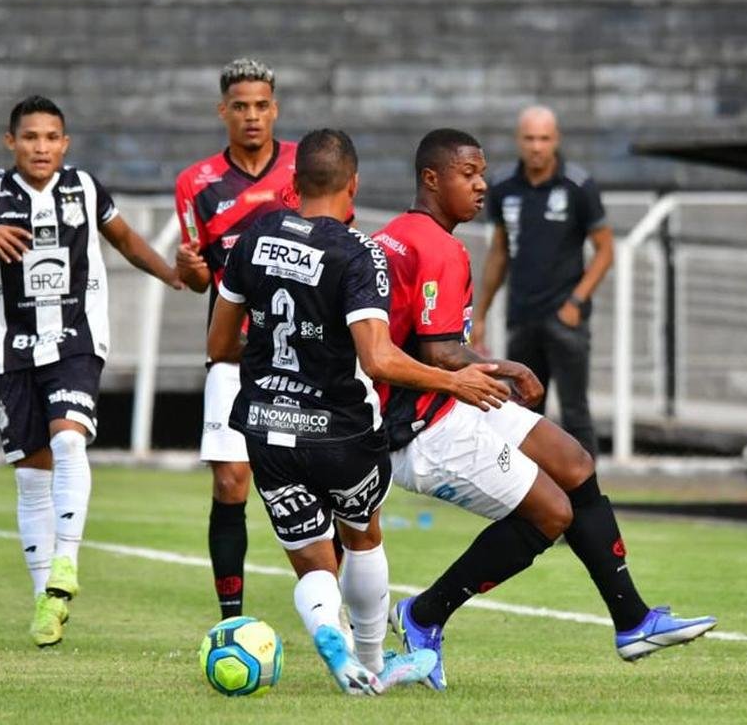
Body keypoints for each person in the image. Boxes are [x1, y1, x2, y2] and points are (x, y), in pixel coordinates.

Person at [376, 129, 715, 691]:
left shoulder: (398, 236)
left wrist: (486, 367)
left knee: (575, 462)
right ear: (431, 179)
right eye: (468, 173)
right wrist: (504, 365)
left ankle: (633, 621)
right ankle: (424, 614)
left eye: (483, 171)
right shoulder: (434, 246)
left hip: (448, 398)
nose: (482, 184)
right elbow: (437, 350)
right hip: (422, 427)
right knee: (550, 514)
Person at [207, 129, 509, 694]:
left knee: (314, 559)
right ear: (354, 185)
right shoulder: (358, 252)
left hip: (268, 427)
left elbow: (220, 345)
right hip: (341, 431)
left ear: (293, 186)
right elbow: (377, 357)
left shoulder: (254, 236)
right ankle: (371, 662)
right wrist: (453, 379)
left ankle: (327, 629)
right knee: (363, 535)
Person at [0, 95, 181, 648]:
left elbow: (128, 241)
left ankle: (66, 564)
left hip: (75, 339)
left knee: (69, 442)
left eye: (51, 137)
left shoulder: (84, 188)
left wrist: (175, 277)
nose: (40, 146)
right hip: (12, 349)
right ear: (11, 141)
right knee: (30, 476)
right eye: (30, 137)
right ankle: (48, 602)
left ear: (64, 143)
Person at [175, 58, 335, 620]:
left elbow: (334, 238)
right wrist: (190, 269)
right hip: (233, 349)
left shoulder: (304, 167)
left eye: (261, 105)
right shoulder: (196, 184)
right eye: (240, 106)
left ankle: (333, 605)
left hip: (302, 348)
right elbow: (197, 278)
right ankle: (232, 622)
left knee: (319, 478)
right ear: (224, 110)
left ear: (276, 109)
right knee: (230, 480)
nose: (251, 116)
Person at [473, 106, 612, 457]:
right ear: (519, 141)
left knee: (575, 411)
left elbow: (606, 250)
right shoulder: (503, 187)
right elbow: (498, 254)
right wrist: (480, 315)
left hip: (565, 318)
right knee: (523, 413)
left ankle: (588, 501)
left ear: (556, 140)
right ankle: (533, 498)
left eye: (544, 138)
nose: (537, 146)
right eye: (530, 138)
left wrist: (576, 302)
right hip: (522, 317)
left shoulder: (578, 185)